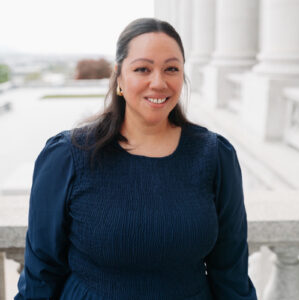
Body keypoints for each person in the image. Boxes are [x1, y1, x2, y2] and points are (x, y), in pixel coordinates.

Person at [15, 18, 257, 300]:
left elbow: (231, 271)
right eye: (143, 69)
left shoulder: (216, 156)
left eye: (171, 69)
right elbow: (41, 272)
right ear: (119, 77)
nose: (158, 82)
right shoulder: (68, 156)